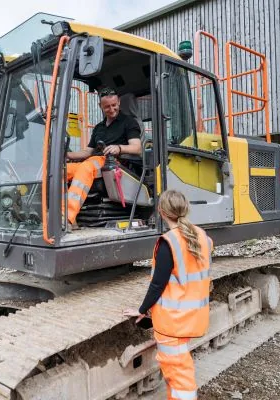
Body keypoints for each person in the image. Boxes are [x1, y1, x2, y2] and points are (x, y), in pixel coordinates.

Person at [123, 190, 213, 400]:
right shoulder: (202, 236)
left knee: (179, 376)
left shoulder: (168, 242)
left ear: (161, 212)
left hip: (173, 323)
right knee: (176, 375)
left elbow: (157, 285)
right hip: (193, 318)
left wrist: (141, 309)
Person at [65, 88, 142, 228]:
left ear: (119, 102)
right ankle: (61, 212)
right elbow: (88, 152)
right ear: (101, 106)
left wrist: (119, 148)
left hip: (115, 163)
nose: (112, 109)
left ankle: (67, 218)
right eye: (107, 106)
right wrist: (67, 155)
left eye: (114, 105)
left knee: (87, 166)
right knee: (61, 171)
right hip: (95, 161)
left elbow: (137, 147)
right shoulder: (98, 128)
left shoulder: (129, 122)